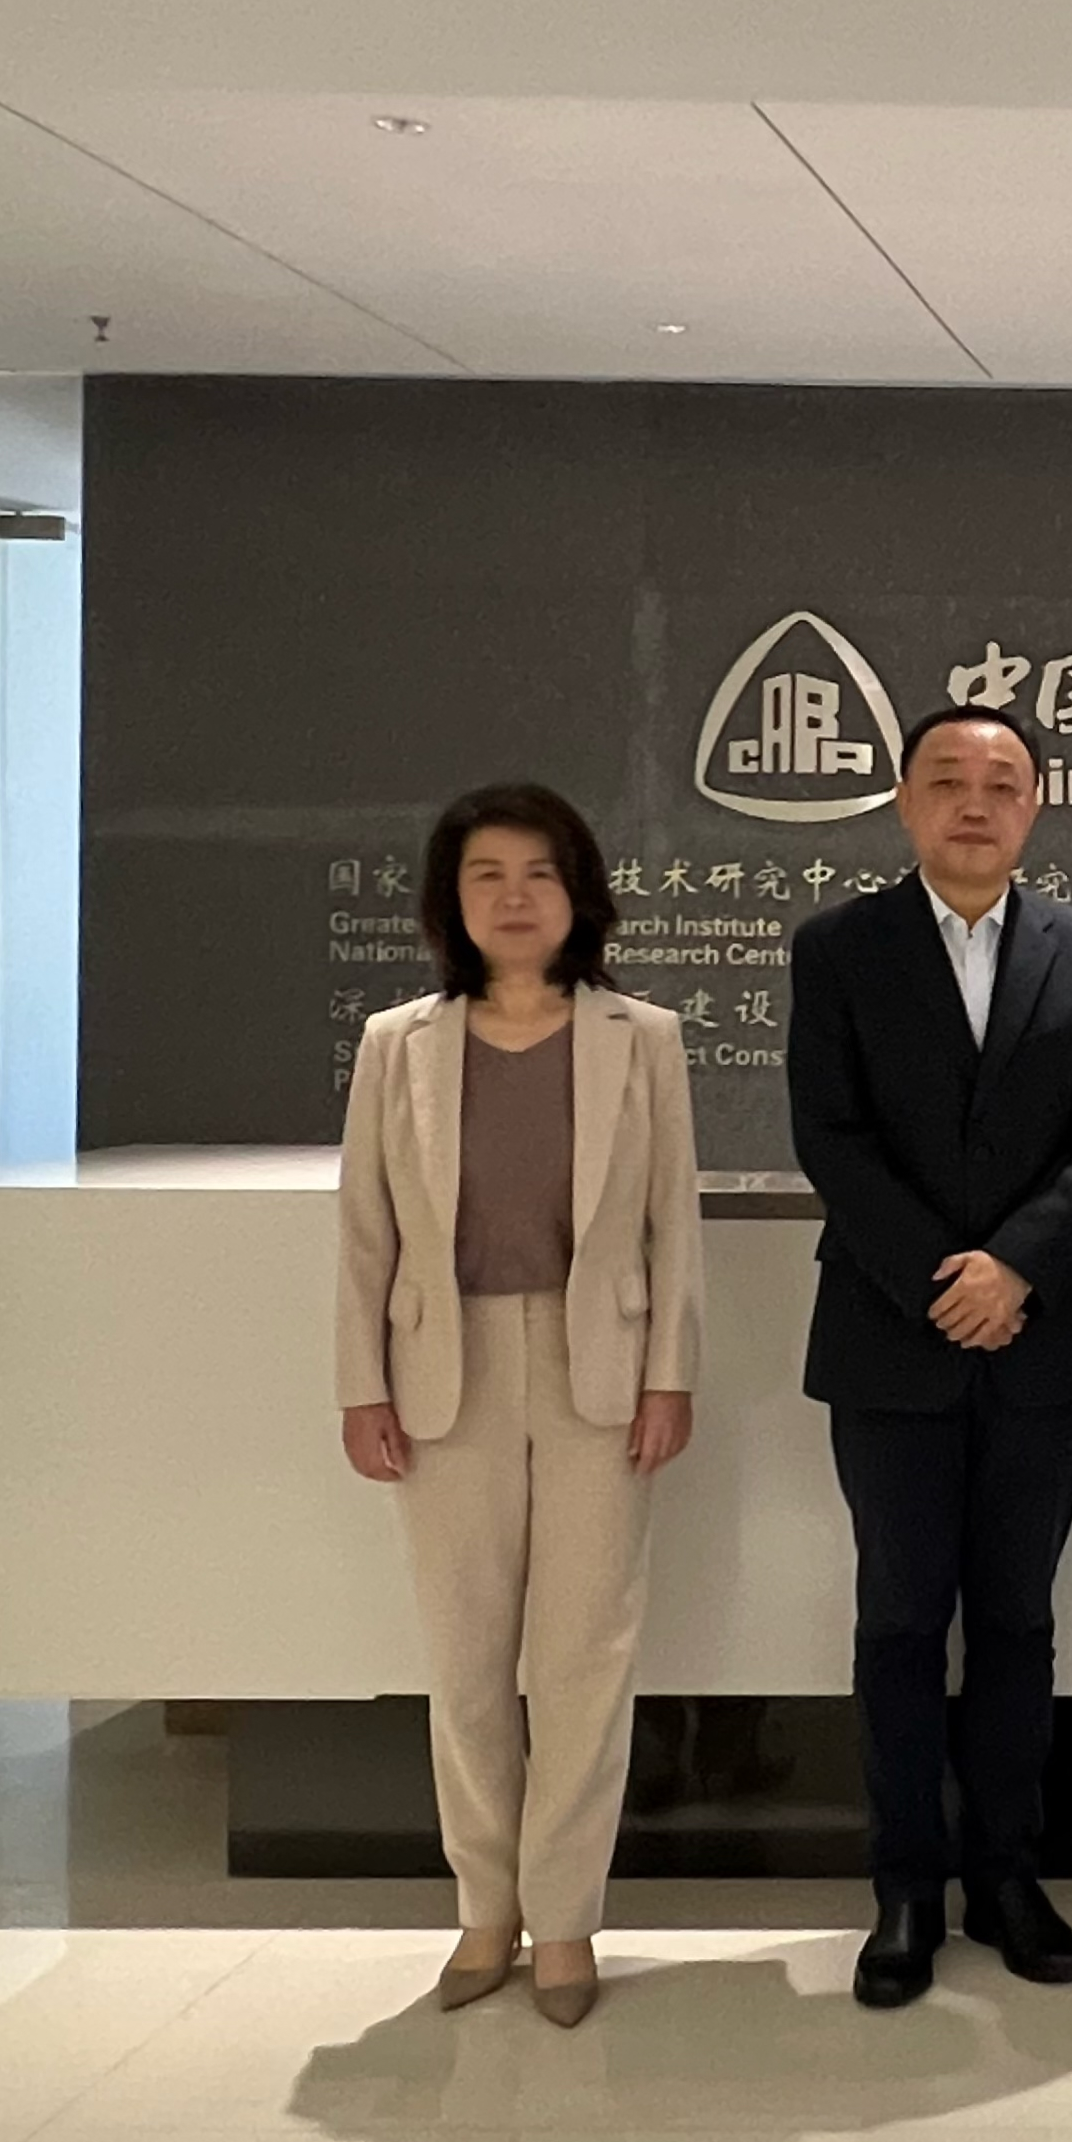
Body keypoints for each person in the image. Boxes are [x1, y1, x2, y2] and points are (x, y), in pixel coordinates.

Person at [787, 704, 1072, 2009]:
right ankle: (904, 1887)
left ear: (1035, 804)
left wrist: (1017, 1269)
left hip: (1039, 1342)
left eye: (1001, 782)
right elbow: (829, 1133)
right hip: (891, 1341)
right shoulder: (839, 947)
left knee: (1016, 1621)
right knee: (897, 1620)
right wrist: (945, 1280)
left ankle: (1006, 1874)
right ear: (905, 801)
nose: (974, 803)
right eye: (947, 780)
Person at [335, 782, 702, 2030]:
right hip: (447, 1374)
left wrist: (670, 1373)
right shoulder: (399, 1045)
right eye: (486, 873)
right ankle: (484, 1909)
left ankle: (566, 1918)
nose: (513, 896)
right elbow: (365, 1235)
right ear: (452, 899)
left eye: (539, 872)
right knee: (467, 1659)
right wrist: (361, 1385)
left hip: (601, 1368)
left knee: (586, 1656)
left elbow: (672, 1222)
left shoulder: (640, 1037)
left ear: (577, 893)